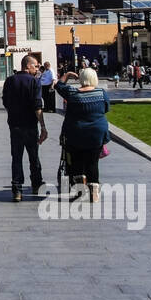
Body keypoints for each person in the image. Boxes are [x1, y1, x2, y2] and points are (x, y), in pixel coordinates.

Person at [55, 68, 111, 204]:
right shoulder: (101, 93)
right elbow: (106, 108)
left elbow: (58, 85)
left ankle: (80, 191)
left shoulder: (72, 93)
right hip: (96, 133)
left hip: (76, 133)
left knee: (76, 162)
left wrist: (67, 75)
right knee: (93, 162)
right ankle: (94, 193)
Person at [2, 54, 49, 201]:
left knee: (16, 158)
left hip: (15, 125)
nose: (37, 69)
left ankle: (17, 190)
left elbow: (5, 102)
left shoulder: (9, 81)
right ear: (27, 66)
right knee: (33, 157)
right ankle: (36, 185)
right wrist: (43, 126)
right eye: (35, 66)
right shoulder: (34, 82)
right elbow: (37, 106)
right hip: (30, 125)